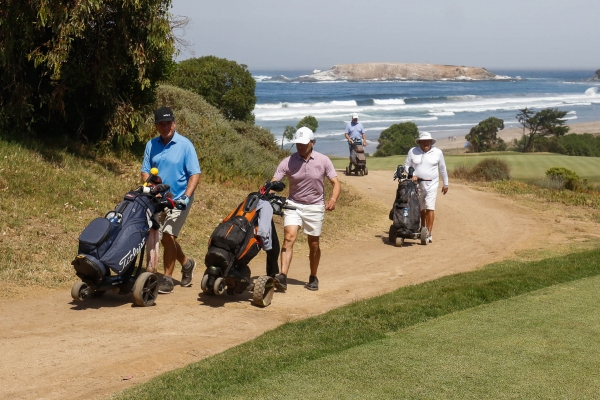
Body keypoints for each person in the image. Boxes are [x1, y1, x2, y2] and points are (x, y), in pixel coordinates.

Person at [272, 127, 341, 291]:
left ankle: (313, 276)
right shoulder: (288, 161)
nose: (300, 147)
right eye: (298, 144)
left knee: (314, 243)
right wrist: (267, 192)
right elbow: (275, 181)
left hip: (315, 206)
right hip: (294, 204)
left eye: (303, 144)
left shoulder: (323, 160)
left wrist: (332, 199)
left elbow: (335, 183)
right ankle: (282, 276)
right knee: (289, 237)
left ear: (312, 143)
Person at [141, 106, 201, 293]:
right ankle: (186, 263)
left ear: (174, 124)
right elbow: (145, 171)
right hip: (158, 198)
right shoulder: (151, 145)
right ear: (156, 126)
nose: (165, 127)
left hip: (179, 198)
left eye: (168, 123)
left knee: (167, 236)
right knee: (166, 238)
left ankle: (167, 278)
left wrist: (186, 197)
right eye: (161, 124)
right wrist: (152, 189)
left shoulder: (185, 145)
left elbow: (195, 174)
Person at [404, 131, 449, 244]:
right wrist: (412, 175)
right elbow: (407, 165)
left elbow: (442, 168)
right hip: (417, 185)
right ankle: (422, 227)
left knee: (429, 207)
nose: (426, 143)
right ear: (419, 142)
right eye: (423, 141)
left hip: (432, 184)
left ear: (431, 142)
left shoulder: (438, 152)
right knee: (420, 208)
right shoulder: (412, 151)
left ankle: (429, 233)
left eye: (428, 141)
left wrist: (445, 184)